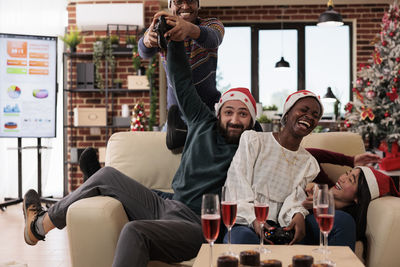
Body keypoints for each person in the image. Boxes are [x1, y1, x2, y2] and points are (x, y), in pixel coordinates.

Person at [22, 39, 259, 267]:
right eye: (229, 112)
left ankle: (93, 183)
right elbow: (181, 79)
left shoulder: (253, 146)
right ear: (219, 113)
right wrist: (173, 39)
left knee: (135, 231)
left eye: (243, 114)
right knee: (107, 176)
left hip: (197, 225)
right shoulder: (201, 121)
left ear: (252, 121)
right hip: (169, 205)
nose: (234, 120)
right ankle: (38, 226)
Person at [223, 90, 325, 245]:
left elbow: (295, 198)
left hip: (280, 226)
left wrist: (298, 214)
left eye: (315, 115)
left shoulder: (309, 163)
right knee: (243, 241)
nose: (309, 116)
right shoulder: (254, 140)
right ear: (287, 113)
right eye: (303, 110)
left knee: (299, 247)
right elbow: (237, 183)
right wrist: (255, 220)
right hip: (245, 222)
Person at [139, 0, 224, 150]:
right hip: (175, 117)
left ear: (198, 4)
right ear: (170, 4)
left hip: (208, 113)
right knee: (162, 159)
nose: (185, 6)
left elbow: (213, 38)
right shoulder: (162, 28)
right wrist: (146, 41)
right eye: (178, 1)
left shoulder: (211, 24)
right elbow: (144, 52)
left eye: (191, 1)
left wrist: (188, 29)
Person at [304, 165, 399, 257]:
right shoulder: (315, 187)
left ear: (358, 197)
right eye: (346, 173)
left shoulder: (344, 221)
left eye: (350, 180)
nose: (342, 178)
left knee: (344, 220)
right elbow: (307, 154)